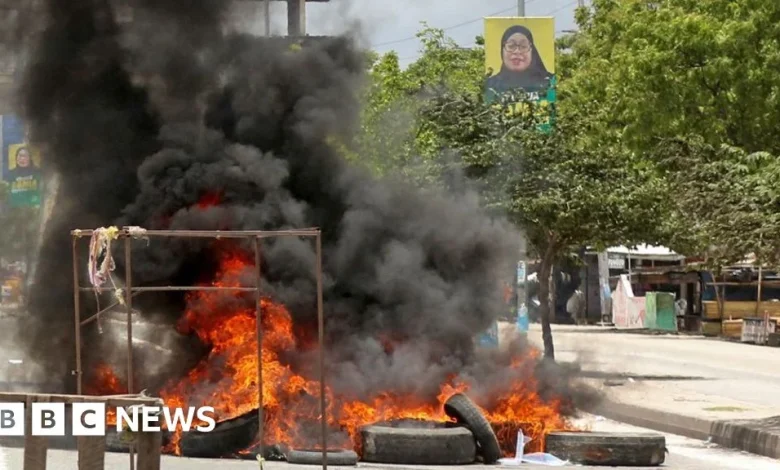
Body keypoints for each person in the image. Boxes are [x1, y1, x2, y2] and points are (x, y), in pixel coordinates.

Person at [484, 25, 554, 103]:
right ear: (502, 50)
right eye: (511, 46)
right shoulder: (491, 85)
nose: (517, 51)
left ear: (532, 50)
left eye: (523, 46)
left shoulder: (550, 82)